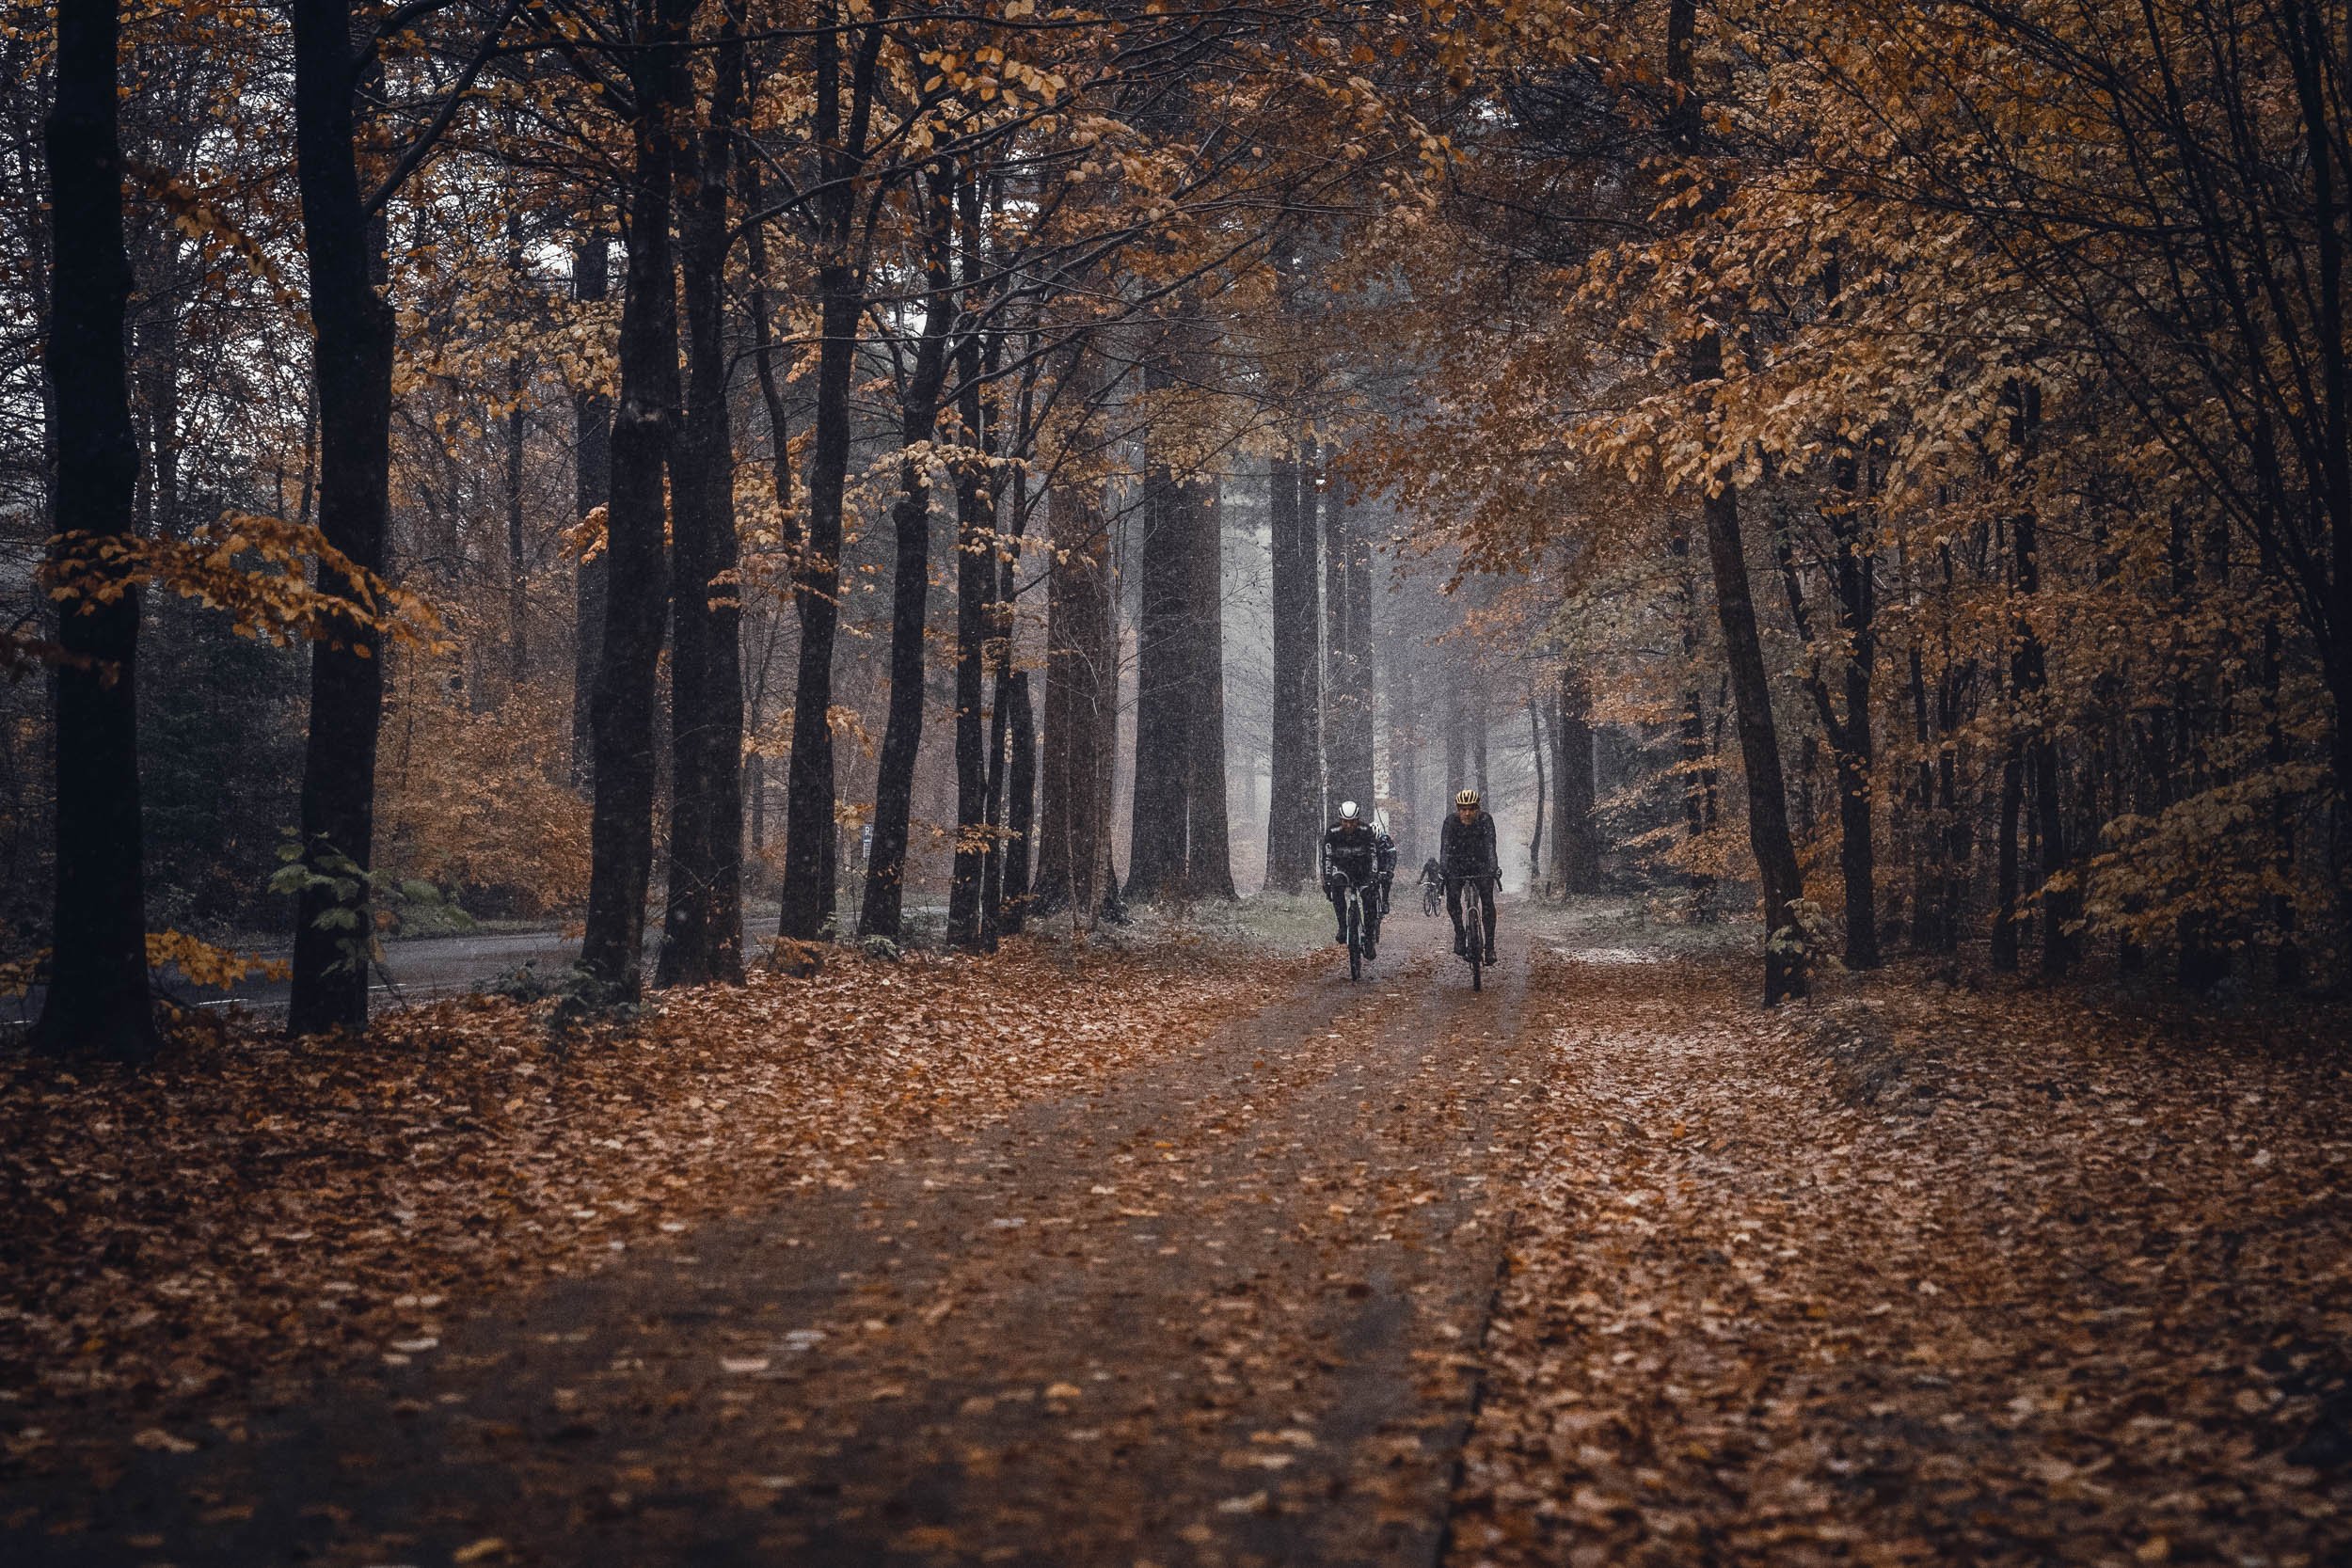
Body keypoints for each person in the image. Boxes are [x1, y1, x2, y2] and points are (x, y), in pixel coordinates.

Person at [1438, 787, 1499, 963]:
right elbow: (1445, 848)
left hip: (1480, 864)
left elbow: (1490, 846)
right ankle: (1459, 932)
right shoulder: (1450, 822)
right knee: (1453, 899)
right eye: (1463, 809)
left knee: (1487, 901)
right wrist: (1444, 869)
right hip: (1457, 865)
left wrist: (1493, 867)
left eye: (1471, 809)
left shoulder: (1486, 820)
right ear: (1458, 809)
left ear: (1477, 809)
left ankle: (1490, 947)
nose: (1467, 813)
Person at [1321, 800, 1383, 959]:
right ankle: (1342, 927)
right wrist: (1327, 880)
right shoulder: (1332, 832)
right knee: (1336, 886)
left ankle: (1369, 939)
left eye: (1352, 822)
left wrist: (1374, 877)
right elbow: (1327, 858)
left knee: (1369, 898)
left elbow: (1374, 856)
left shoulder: (1366, 831)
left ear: (1358, 820)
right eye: (1344, 821)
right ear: (1340, 820)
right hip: (1342, 869)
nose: (1348, 825)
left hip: (1363, 870)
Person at [1370, 809, 1399, 914]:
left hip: (1384, 864)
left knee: (1386, 881)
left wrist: (1390, 869)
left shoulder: (1386, 840)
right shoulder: (1366, 841)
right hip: (1372, 865)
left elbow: (1392, 856)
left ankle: (1385, 901)